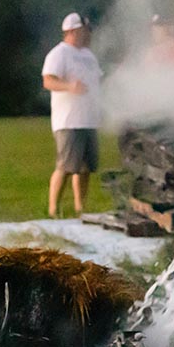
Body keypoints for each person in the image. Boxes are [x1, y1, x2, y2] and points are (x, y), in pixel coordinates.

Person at [41, 12, 103, 217]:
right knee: (66, 166)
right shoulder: (59, 54)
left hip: (88, 119)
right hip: (69, 120)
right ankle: (53, 209)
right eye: (86, 30)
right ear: (74, 31)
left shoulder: (88, 56)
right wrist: (69, 86)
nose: (89, 34)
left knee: (84, 168)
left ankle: (80, 208)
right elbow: (48, 81)